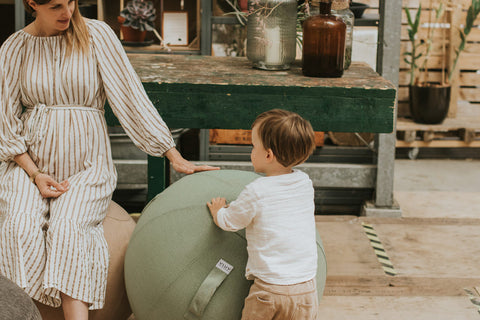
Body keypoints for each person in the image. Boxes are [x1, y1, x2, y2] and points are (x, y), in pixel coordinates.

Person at [0, 0, 217, 319]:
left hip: (86, 163)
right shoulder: (14, 47)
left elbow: (130, 97)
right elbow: (5, 119)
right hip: (29, 164)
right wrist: (34, 174)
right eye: (57, 6)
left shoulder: (97, 35)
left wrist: (171, 153)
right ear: (33, 4)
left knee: (69, 227)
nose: (68, 12)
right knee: (18, 225)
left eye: (72, 2)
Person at [207, 109, 320, 320]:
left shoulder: (256, 191)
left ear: (268, 155)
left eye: (254, 146)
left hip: (270, 290)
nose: (251, 151)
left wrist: (218, 211)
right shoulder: (305, 183)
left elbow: (231, 222)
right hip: (306, 290)